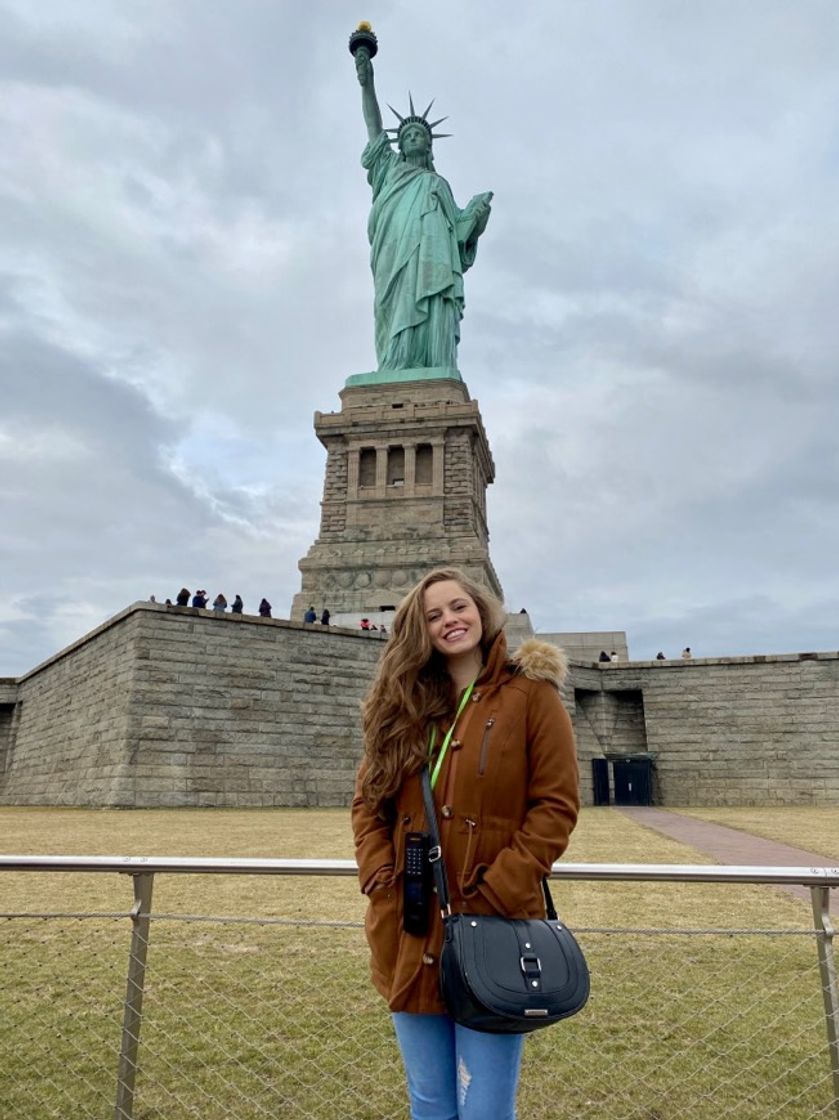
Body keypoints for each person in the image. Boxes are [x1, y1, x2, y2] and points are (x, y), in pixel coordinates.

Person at [351, 567, 579, 1119]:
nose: (450, 620)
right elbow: (368, 805)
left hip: (496, 926)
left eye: (459, 607)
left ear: (481, 610)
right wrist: (382, 880)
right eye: (433, 615)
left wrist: (500, 888)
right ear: (418, 632)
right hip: (409, 926)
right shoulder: (403, 705)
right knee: (429, 1101)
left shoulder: (531, 695)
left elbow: (556, 807)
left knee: (485, 1105)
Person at [354, 46, 492, 372]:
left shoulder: (439, 184)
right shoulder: (388, 169)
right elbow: (374, 127)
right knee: (395, 304)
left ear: (429, 145)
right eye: (408, 134)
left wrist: (476, 218)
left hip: (435, 259)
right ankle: (397, 362)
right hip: (395, 253)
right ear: (399, 144)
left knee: (434, 299)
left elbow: (459, 235)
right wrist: (366, 83)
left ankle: (434, 361)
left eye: (420, 135)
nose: (414, 137)